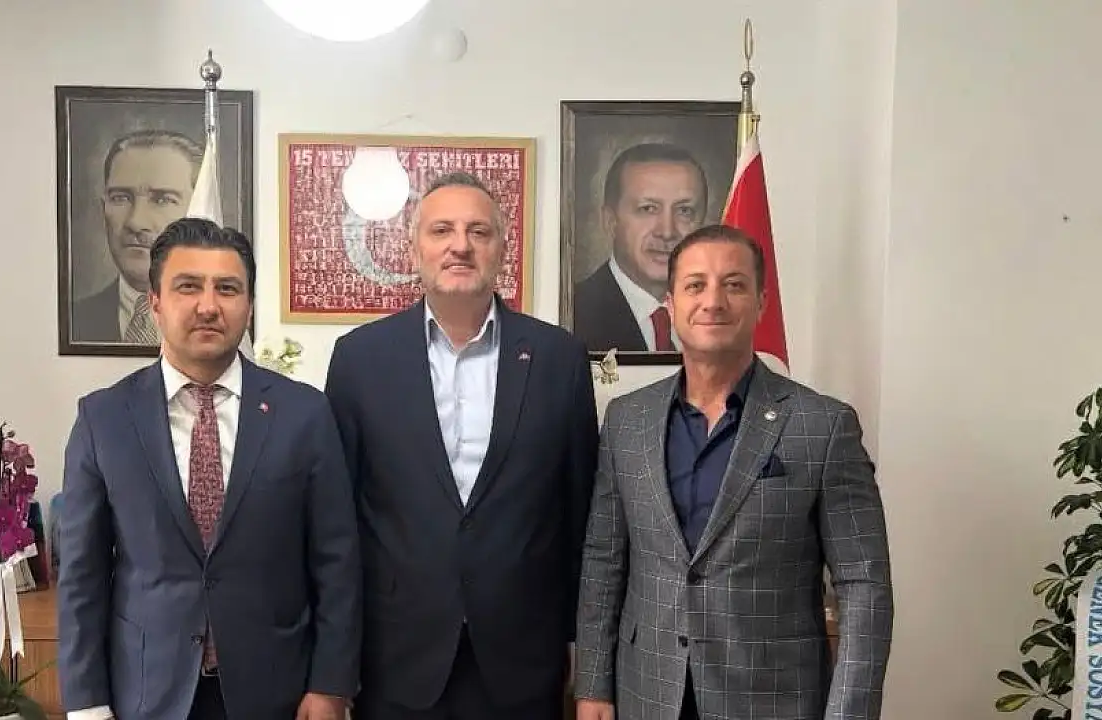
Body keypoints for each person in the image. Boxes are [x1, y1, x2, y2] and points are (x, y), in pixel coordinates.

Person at [574, 224, 893, 720]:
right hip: (648, 692)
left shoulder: (823, 426)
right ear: (671, 303)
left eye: (734, 284)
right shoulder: (626, 421)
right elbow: (603, 560)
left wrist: (849, 713)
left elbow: (864, 584)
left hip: (773, 698)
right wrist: (593, 685)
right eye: (695, 285)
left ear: (761, 303)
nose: (713, 301)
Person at [58, 217, 360, 719]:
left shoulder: (304, 414)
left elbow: (337, 563)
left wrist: (331, 685)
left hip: (276, 693)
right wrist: (87, 705)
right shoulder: (103, 419)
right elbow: (81, 578)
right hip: (148, 693)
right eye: (188, 286)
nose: (208, 305)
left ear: (249, 305)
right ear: (154, 302)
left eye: (227, 288)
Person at [325, 171, 599, 719]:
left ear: (502, 249)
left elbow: (581, 516)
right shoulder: (359, 360)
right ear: (415, 248)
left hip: (524, 657)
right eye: (442, 230)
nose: (460, 245)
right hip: (395, 657)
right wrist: (335, 664)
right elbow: (339, 522)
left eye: (479, 231)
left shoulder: (560, 359)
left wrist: (582, 642)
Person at [572, 143, 709, 354]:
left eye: (684, 211)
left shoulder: (720, 315)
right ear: (610, 221)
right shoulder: (572, 314)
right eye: (648, 209)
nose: (667, 232)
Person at [72, 129, 203, 344]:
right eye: (121, 198)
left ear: (199, 211)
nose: (136, 222)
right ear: (103, 209)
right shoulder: (77, 320)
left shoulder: (225, 323)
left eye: (162, 200)